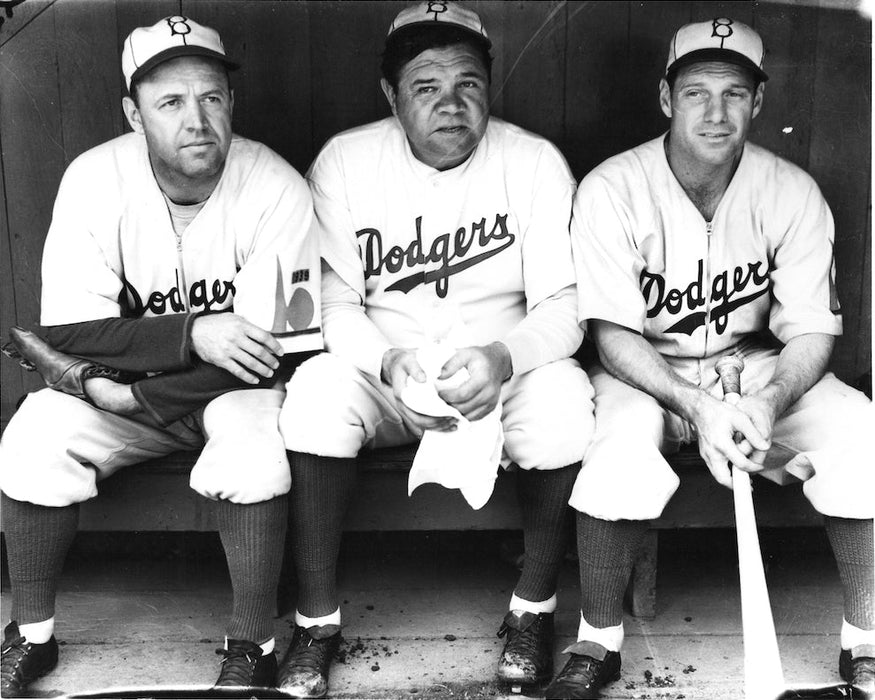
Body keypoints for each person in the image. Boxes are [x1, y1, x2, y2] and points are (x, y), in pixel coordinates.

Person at [273, 1, 595, 696]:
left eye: (468, 83)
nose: (450, 104)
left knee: (566, 399)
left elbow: (563, 307)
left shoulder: (533, 161)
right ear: (389, 94)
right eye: (425, 86)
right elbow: (332, 306)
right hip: (387, 367)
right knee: (315, 395)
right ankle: (316, 619)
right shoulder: (346, 160)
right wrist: (385, 364)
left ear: (490, 85)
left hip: (498, 368)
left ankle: (532, 608)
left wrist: (506, 358)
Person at [549, 17, 875, 699]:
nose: (716, 111)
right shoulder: (613, 187)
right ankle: (597, 641)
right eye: (696, 92)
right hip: (644, 369)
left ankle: (865, 641)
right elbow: (611, 335)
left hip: (755, 368)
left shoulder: (790, 191)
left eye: (734, 93)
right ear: (666, 99)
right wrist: (691, 404)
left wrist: (768, 400)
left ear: (757, 103)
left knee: (858, 430)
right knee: (616, 447)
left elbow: (813, 330)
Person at [0, 15, 322, 696]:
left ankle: (254, 644)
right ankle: (30, 636)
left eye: (211, 97)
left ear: (231, 102)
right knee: (34, 435)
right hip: (125, 385)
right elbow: (70, 330)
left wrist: (140, 397)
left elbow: (280, 351)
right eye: (170, 102)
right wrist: (192, 332)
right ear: (133, 113)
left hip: (232, 388)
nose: (196, 119)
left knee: (253, 445)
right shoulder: (94, 179)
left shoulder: (276, 187)